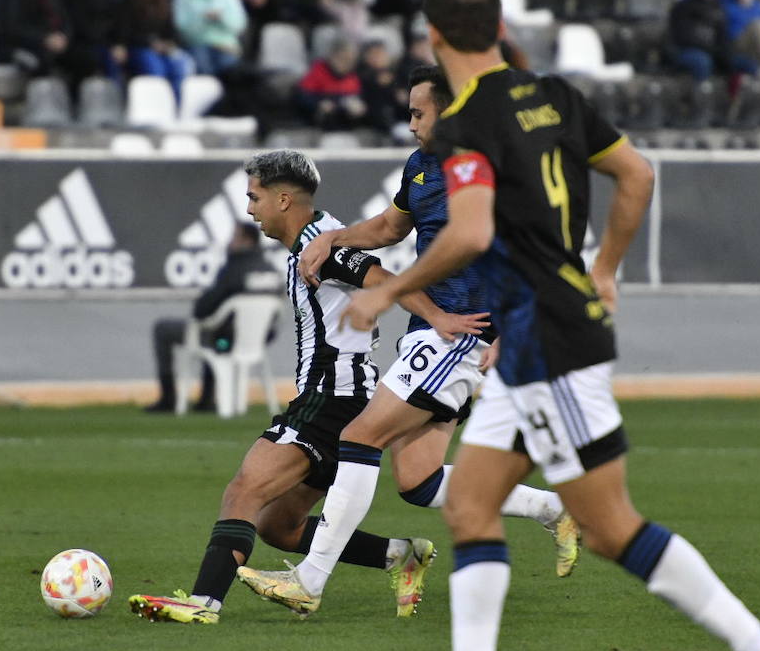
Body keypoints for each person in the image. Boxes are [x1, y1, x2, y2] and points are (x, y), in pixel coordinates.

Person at [341, 0, 760, 651]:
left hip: (548, 343)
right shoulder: (551, 94)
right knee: (469, 508)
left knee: (609, 528)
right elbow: (636, 174)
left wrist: (390, 295)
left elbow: (470, 233)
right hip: (538, 336)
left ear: (434, 38)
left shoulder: (464, 125)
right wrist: (607, 269)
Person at [235, 65, 581, 620]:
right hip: (433, 330)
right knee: (417, 480)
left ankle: (310, 579)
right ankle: (555, 509)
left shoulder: (487, 171)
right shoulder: (421, 167)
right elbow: (391, 229)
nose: (410, 122)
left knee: (359, 435)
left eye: (419, 112)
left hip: (464, 329)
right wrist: (335, 236)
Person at [126, 149, 487, 625]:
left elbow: (383, 280)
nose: (249, 207)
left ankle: (203, 603)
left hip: (330, 400)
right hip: (341, 398)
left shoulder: (321, 243)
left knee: (244, 492)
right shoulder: (319, 239)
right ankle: (400, 555)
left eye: (253, 197)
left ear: (281, 199)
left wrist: (437, 316)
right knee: (280, 524)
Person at [145, 222, 283, 414]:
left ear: (246, 241)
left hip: (223, 338)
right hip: (259, 340)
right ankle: (206, 398)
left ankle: (169, 398)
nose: (230, 243)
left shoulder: (235, 269)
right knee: (214, 330)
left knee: (167, 329)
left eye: (234, 237)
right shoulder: (272, 271)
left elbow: (202, 309)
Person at [667, 0, 758, 81]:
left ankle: (741, 96)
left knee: (747, 64)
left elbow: (723, 36)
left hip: (713, 51)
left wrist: (724, 53)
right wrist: (714, 50)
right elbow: (683, 37)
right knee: (702, 61)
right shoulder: (683, 6)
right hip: (686, 51)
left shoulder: (718, 7)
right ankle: (701, 94)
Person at [123, 0, 192, 102]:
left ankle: (177, 107)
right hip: (139, 47)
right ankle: (157, 105)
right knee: (154, 67)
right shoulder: (129, 1)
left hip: (162, 48)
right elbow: (126, 32)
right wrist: (150, 43)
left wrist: (170, 44)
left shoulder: (166, 1)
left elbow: (172, 30)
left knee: (181, 64)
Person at [59, 0, 128, 88]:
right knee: (94, 58)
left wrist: (119, 43)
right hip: (81, 44)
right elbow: (77, 24)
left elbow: (119, 19)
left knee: (120, 57)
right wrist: (109, 44)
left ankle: (117, 99)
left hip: (106, 43)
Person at [172, 0, 248, 77]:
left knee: (230, 67)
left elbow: (239, 24)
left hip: (226, 45)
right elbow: (181, 27)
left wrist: (222, 18)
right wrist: (203, 19)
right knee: (203, 66)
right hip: (197, 43)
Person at [294, 37, 368, 131]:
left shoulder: (353, 76)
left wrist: (359, 106)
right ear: (333, 56)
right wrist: (318, 103)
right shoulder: (318, 71)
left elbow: (357, 97)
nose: (348, 64)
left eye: (351, 60)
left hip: (346, 124)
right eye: (343, 59)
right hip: (318, 124)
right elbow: (302, 96)